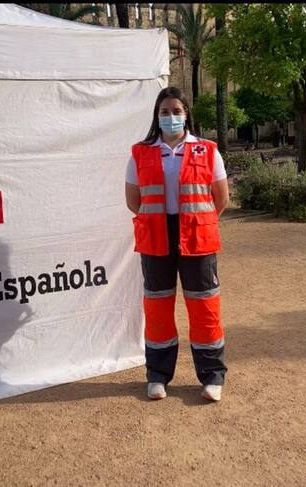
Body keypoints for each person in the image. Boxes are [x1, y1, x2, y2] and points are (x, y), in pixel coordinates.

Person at [125, 87, 229, 402]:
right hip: (156, 238)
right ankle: (158, 376)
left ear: (186, 115)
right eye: (164, 112)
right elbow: (133, 201)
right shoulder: (140, 153)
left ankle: (211, 376)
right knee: (157, 308)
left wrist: (197, 220)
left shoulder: (208, 150)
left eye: (176, 111)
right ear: (156, 116)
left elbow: (221, 199)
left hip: (197, 237)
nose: (170, 117)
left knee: (204, 307)